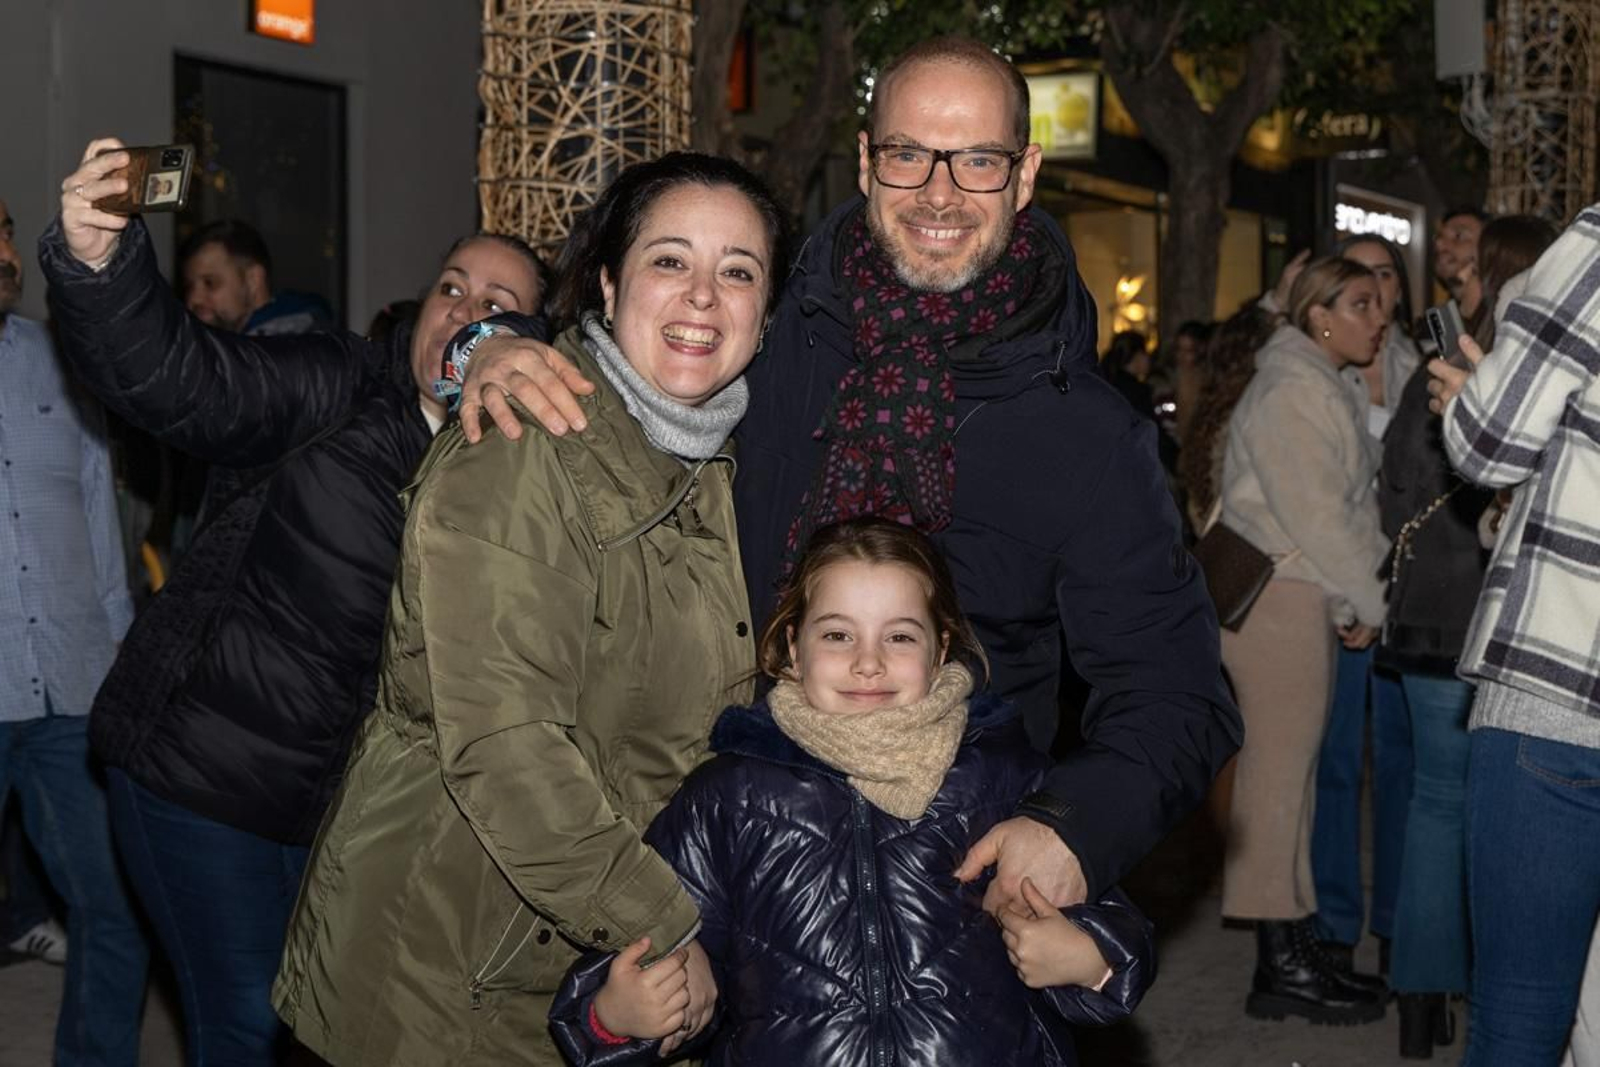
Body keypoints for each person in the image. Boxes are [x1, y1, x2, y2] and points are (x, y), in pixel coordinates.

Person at [452, 35, 1243, 919]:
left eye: (976, 160)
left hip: (949, 887)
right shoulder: (769, 333)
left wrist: (1071, 829)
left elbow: (1177, 694)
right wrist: (490, 344)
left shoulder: (1089, 434)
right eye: (909, 154)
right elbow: (634, 345)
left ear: (1023, 175)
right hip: (727, 856)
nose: (939, 192)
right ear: (867, 162)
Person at [270, 151, 787, 1066]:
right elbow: (509, 753)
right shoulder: (522, 444)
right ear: (608, 279)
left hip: (572, 961)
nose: (704, 296)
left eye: (737, 270)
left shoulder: (714, 464)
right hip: (444, 974)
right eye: (671, 260)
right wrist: (670, 924)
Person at [41, 138, 548, 1067]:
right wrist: (102, 263)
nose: (465, 313)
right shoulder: (344, 384)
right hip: (198, 774)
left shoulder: (527, 478)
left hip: (325, 813)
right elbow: (185, 378)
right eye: (451, 287)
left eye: (499, 306)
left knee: (312, 1017)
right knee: (247, 1018)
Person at [549, 517, 1154, 1066]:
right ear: (792, 646)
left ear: (942, 649)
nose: (869, 663)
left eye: (900, 637)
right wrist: (614, 1018)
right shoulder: (727, 796)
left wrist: (1091, 958)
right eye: (838, 635)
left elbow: (1112, 923)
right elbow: (647, 951)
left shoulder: (1006, 777)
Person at [1426, 204, 1600, 1066]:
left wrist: (1474, 392)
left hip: (1562, 691)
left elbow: (1491, 443)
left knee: (1522, 1017)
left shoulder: (1597, 245)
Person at [1379, 212, 1555, 1059]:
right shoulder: (1510, 376)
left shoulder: (1438, 372)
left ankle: (1420, 996)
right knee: (1469, 815)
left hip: (1422, 614)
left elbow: (1391, 489)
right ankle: (1453, 986)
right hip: (1481, 617)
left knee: (1433, 807)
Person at [1217, 256, 1391, 1024]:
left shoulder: (1318, 381)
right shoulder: (1292, 388)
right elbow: (1320, 514)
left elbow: (1339, 512)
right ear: (1318, 314)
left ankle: (1295, 948)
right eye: (1360, 303)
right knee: (1277, 787)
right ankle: (1281, 963)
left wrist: (1358, 593)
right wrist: (1373, 596)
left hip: (1296, 596)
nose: (1378, 315)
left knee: (1292, 786)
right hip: (1277, 601)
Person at [0, 194, 149, 1065]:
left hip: (72, 691)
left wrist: (120, 652)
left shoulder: (61, 363)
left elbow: (100, 514)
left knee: (115, 904)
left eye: (9, 230)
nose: (7, 249)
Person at [1305, 234, 1420, 979]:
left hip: (1415, 595)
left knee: (1407, 768)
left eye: (1385, 275)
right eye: (1359, 277)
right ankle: (1335, 925)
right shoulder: (1325, 370)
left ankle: (1405, 925)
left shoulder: (1423, 364)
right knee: (1338, 763)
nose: (1374, 290)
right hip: (1342, 593)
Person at [179, 218, 333, 336]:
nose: (194, 299)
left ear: (253, 280)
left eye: (210, 283)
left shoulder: (290, 355)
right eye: (189, 286)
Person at [1432, 207, 1488, 334]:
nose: (1439, 244)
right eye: (1439, 237)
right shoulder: (1433, 328)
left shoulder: (1506, 320)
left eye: (1459, 236)